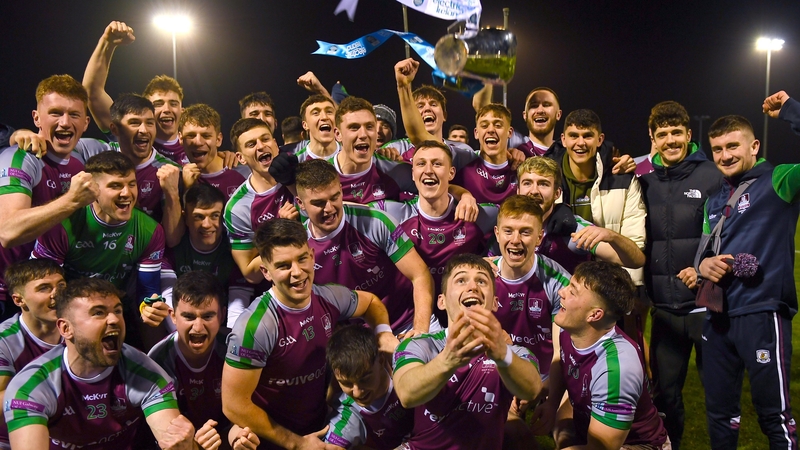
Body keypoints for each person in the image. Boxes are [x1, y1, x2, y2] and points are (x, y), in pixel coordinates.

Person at [222, 218, 398, 450]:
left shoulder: (328, 297)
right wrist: (297, 444)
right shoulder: (255, 327)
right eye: (284, 265)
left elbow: (371, 303)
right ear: (266, 271)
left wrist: (383, 334)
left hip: (318, 426)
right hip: (272, 439)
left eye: (302, 259)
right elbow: (233, 405)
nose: (297, 272)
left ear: (312, 256)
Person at [697, 107, 799, 449]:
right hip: (717, 317)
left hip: (761, 311)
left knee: (773, 416)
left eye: (733, 146)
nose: (725, 155)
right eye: (718, 149)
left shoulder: (780, 180)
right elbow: (702, 252)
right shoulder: (715, 199)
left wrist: (791, 111)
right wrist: (703, 266)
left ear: (754, 146)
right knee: (719, 414)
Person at [3, 277, 195, 449]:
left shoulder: (145, 373)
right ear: (66, 328)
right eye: (98, 313)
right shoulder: (30, 387)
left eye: (118, 311)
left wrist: (187, 448)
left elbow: (171, 439)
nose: (114, 319)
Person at [637, 101, 723, 449]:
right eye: (662, 134)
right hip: (665, 310)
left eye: (676, 133)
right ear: (652, 139)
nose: (670, 140)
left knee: (719, 392)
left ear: (689, 134)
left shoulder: (713, 174)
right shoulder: (642, 176)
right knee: (665, 396)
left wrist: (706, 271)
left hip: (707, 307)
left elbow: (727, 230)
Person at [392, 253, 542, 449]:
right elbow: (406, 393)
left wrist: (502, 355)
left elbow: (532, 390)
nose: (472, 287)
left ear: (495, 302)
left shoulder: (513, 354)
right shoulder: (420, 345)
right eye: (461, 280)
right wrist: (448, 360)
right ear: (441, 301)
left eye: (481, 281)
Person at [31, 151, 169, 347]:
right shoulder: (63, 223)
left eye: (131, 184)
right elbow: (43, 287)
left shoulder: (150, 230)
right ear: (93, 190)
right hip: (65, 313)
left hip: (115, 312)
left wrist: (149, 307)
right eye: (115, 186)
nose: (126, 193)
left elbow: (147, 291)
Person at [544, 109, 648, 348]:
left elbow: (636, 246)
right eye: (574, 135)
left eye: (588, 136)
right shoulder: (548, 180)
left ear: (600, 140)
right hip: (561, 288)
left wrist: (630, 294)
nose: (580, 143)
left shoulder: (622, 178)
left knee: (620, 357)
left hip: (610, 292)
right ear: (563, 139)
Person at [295, 159, 436, 336]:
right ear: (300, 203)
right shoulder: (299, 246)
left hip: (408, 321)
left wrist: (420, 331)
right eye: (318, 203)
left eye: (334, 197)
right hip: (359, 339)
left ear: (341, 190)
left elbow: (420, 275)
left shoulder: (376, 221)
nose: (329, 209)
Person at [0, 75, 102, 315]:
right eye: (55, 113)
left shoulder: (85, 153)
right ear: (36, 117)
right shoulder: (20, 157)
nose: (65, 122)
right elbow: (7, 231)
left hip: (52, 292)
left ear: (86, 122)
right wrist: (72, 200)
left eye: (74, 115)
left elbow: (131, 144)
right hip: (7, 294)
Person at [369, 139, 497, 322]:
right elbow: (348, 212)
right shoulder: (393, 214)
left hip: (462, 318)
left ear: (451, 172)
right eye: (421, 164)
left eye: (437, 164)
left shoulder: (474, 214)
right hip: (406, 320)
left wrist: (493, 258)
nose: (428, 170)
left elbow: (515, 219)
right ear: (413, 174)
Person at [546, 261, 669, 449]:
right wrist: (550, 404)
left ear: (594, 315)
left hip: (637, 445)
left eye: (573, 291)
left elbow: (600, 448)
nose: (561, 292)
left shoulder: (617, 368)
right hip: (588, 423)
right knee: (562, 432)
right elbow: (560, 359)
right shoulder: (567, 327)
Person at [488, 195, 571, 446]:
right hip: (497, 372)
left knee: (567, 434)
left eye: (525, 232)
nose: (515, 240)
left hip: (545, 379)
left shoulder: (559, 282)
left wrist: (548, 394)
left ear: (539, 237)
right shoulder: (481, 277)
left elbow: (561, 351)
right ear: (497, 233)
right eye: (508, 231)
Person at [149, 270, 260, 450]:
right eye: (189, 316)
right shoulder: (157, 361)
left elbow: (244, 413)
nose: (198, 327)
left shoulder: (236, 350)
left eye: (208, 316)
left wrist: (239, 437)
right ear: (173, 316)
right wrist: (194, 445)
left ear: (222, 316)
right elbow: (167, 436)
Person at [83, 21, 189, 165]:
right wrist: (107, 43)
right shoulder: (128, 133)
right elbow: (92, 92)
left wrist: (227, 157)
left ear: (182, 111)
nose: (166, 109)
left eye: (173, 103)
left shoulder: (195, 144)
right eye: (158, 104)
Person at [515, 156, 646, 273]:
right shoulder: (505, 224)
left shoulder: (575, 231)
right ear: (518, 190)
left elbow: (636, 261)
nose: (534, 191)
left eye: (543, 184)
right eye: (527, 183)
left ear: (557, 193)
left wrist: (612, 236)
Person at [163, 184, 253, 328]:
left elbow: (238, 304)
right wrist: (181, 338)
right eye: (198, 217)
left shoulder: (234, 251)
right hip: (182, 323)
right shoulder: (173, 248)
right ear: (185, 217)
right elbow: (168, 298)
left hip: (221, 324)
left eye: (214, 216)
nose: (207, 224)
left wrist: (228, 341)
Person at [0, 260, 66, 449]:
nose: (58, 294)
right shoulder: (5, 340)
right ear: (19, 300)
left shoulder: (80, 328)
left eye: (61, 285)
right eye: (44, 288)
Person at [225, 118, 295, 283]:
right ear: (240, 158)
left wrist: (293, 183)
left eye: (265, 139)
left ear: (275, 143)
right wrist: (280, 236)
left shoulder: (301, 169)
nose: (261, 146)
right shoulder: (238, 208)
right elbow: (250, 274)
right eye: (251, 144)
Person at [324, 325, 414, 449]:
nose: (357, 393)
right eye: (347, 384)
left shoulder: (411, 360)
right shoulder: (348, 413)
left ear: (381, 361)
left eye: (365, 379)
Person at [390, 58, 489, 170]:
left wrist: (484, 72)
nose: (427, 108)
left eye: (433, 104)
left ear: (445, 115)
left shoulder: (462, 152)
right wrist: (403, 86)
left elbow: (489, 159)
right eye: (420, 106)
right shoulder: (394, 149)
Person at [452, 103, 518, 204]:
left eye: (498, 125)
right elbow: (439, 188)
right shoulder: (463, 170)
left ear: (509, 132)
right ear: (476, 133)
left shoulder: (521, 171)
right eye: (484, 125)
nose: (491, 130)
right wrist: (463, 194)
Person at [178, 103, 245, 199]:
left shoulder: (243, 172)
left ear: (218, 140)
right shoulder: (176, 177)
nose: (198, 142)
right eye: (191, 135)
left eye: (206, 136)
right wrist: (187, 189)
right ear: (180, 138)